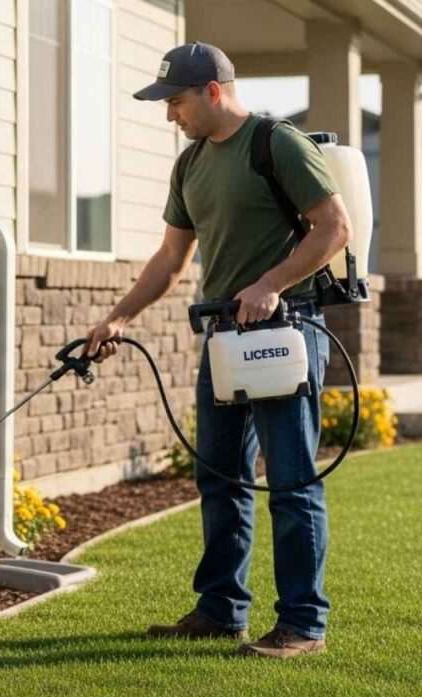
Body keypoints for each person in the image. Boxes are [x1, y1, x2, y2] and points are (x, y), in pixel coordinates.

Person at [84, 43, 351, 659]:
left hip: (285, 331)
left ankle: (303, 626)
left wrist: (268, 285)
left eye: (175, 101)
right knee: (220, 473)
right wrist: (118, 317)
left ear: (211, 92)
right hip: (225, 338)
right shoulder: (190, 165)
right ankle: (221, 609)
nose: (169, 114)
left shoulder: (277, 144)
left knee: (290, 480)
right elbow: (170, 260)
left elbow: (335, 229)